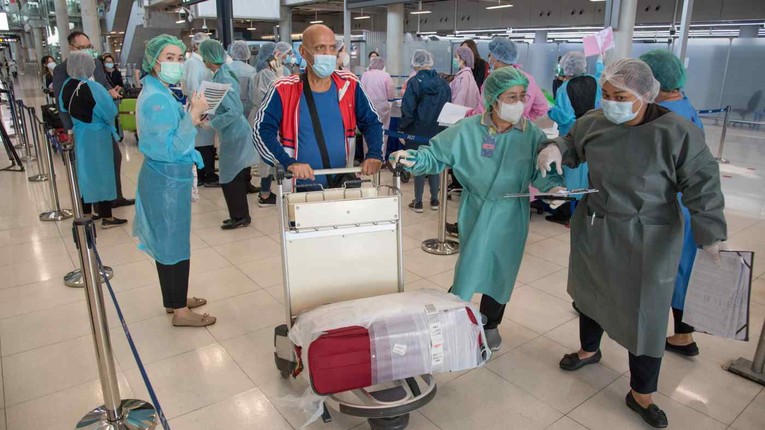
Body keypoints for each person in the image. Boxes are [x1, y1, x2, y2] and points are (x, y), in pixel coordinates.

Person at [537, 58, 726, 428]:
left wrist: (711, 234)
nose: (611, 103)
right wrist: (557, 149)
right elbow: (572, 141)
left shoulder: (677, 132)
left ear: (644, 95)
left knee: (648, 312)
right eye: (606, 95)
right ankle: (589, 350)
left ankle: (641, 392)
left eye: (620, 96)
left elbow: (703, 185)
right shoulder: (594, 121)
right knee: (588, 291)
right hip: (597, 224)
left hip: (649, 234)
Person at [390, 66, 565, 351]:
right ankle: (451, 318)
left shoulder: (530, 133)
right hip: (478, 208)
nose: (518, 103)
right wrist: (411, 158)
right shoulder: (469, 130)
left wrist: (553, 186)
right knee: (470, 267)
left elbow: (540, 172)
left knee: (503, 269)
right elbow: (436, 155)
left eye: (522, 96)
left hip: (513, 211)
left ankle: (491, 324)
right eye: (511, 97)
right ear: (494, 98)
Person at [135, 34, 215, 327]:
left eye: (180, 58)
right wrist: (192, 117)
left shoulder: (159, 90)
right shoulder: (157, 98)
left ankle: (174, 300)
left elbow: (171, 132)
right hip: (166, 179)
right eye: (169, 58)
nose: (177, 64)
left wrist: (192, 118)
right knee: (174, 244)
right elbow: (170, 148)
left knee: (167, 244)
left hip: (166, 178)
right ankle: (181, 312)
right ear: (154, 61)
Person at [253, 24, 384, 191]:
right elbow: (261, 130)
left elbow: (372, 122)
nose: (328, 54)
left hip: (342, 185)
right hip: (298, 189)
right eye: (320, 48)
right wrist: (287, 162)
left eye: (332, 48)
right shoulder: (283, 89)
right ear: (303, 52)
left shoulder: (349, 85)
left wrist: (374, 154)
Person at [640, 49, 705, 357]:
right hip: (686, 205)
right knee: (683, 267)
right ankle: (684, 334)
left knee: (665, 270)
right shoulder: (684, 104)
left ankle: (672, 335)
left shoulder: (666, 118)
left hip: (667, 206)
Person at [52, 31, 133, 209]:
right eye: (82, 48)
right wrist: (69, 129)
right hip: (83, 126)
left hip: (102, 123)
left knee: (114, 158)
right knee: (90, 165)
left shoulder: (95, 63)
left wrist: (109, 93)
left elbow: (102, 87)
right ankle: (95, 202)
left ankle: (114, 197)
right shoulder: (62, 70)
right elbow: (61, 102)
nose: (86, 51)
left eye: (89, 47)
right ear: (71, 48)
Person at [60, 51, 127, 228]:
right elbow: (109, 111)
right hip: (98, 136)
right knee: (103, 174)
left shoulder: (67, 85)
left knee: (85, 174)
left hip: (80, 134)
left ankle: (87, 213)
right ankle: (107, 216)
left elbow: (62, 106)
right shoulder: (93, 87)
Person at [199, 39, 259, 230]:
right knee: (233, 175)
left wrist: (212, 123)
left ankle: (240, 216)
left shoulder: (223, 77)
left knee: (229, 176)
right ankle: (240, 214)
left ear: (208, 57)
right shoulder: (219, 75)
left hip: (235, 132)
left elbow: (235, 109)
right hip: (231, 132)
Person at [545, 51, 601, 225]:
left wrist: (550, 110)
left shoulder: (565, 88)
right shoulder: (595, 81)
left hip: (573, 135)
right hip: (593, 131)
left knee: (569, 175)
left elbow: (564, 116)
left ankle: (567, 214)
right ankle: (583, 212)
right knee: (587, 175)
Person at [399, 49, 451, 212]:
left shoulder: (414, 83)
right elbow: (448, 107)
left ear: (415, 63)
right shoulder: (443, 83)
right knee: (434, 163)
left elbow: (408, 109)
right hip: (438, 130)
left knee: (418, 163)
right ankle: (435, 200)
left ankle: (419, 202)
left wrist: (402, 129)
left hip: (417, 130)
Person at [249, 41, 293, 206]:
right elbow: (277, 95)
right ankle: (265, 194)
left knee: (269, 157)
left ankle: (267, 192)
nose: (283, 58)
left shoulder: (265, 73)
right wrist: (281, 76)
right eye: (280, 55)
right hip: (267, 117)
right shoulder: (267, 74)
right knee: (267, 157)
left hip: (266, 116)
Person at [469, 37, 548, 120]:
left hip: (494, 130)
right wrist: (523, 121)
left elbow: (483, 113)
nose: (489, 58)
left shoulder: (494, 80)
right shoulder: (527, 78)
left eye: (490, 55)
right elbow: (541, 109)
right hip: (520, 131)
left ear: (495, 58)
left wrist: (468, 115)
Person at [183, 32, 219, 188]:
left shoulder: (201, 62)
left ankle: (207, 173)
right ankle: (205, 174)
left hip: (206, 105)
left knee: (206, 141)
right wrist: (200, 108)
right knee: (202, 142)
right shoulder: (192, 63)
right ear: (195, 45)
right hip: (200, 105)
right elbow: (192, 86)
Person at [360, 56, 395, 130]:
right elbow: (391, 91)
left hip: (367, 107)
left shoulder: (365, 75)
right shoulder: (386, 75)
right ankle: (383, 141)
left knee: (368, 128)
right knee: (383, 127)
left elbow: (361, 91)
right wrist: (390, 102)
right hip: (382, 107)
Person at [228, 41, 257, 116]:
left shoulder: (226, 69)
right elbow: (254, 94)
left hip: (229, 108)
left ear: (232, 54)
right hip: (247, 109)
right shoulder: (251, 71)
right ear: (247, 53)